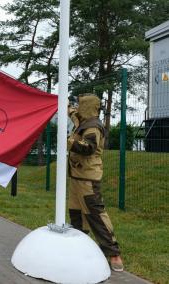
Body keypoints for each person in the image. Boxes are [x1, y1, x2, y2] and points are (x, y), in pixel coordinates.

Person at [67, 93, 124, 272]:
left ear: (87, 107)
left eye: (80, 104)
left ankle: (114, 254)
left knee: (95, 214)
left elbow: (88, 148)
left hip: (88, 179)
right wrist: (64, 106)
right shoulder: (83, 119)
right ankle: (80, 247)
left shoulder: (93, 126)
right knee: (76, 214)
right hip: (77, 176)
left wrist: (68, 142)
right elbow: (72, 113)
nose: (77, 107)